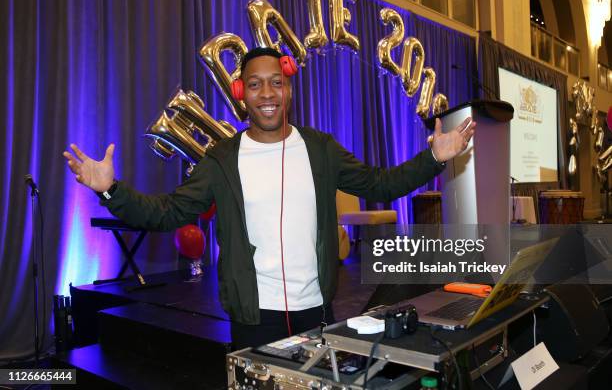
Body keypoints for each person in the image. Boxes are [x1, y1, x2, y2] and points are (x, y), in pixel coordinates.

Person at [63, 47, 475, 350]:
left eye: (276, 83)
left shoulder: (321, 149)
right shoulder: (222, 160)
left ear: (289, 88)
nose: (267, 94)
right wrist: (110, 190)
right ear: (242, 93)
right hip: (254, 321)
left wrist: (434, 158)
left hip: (317, 313)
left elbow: (380, 184)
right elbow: (168, 212)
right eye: (256, 85)